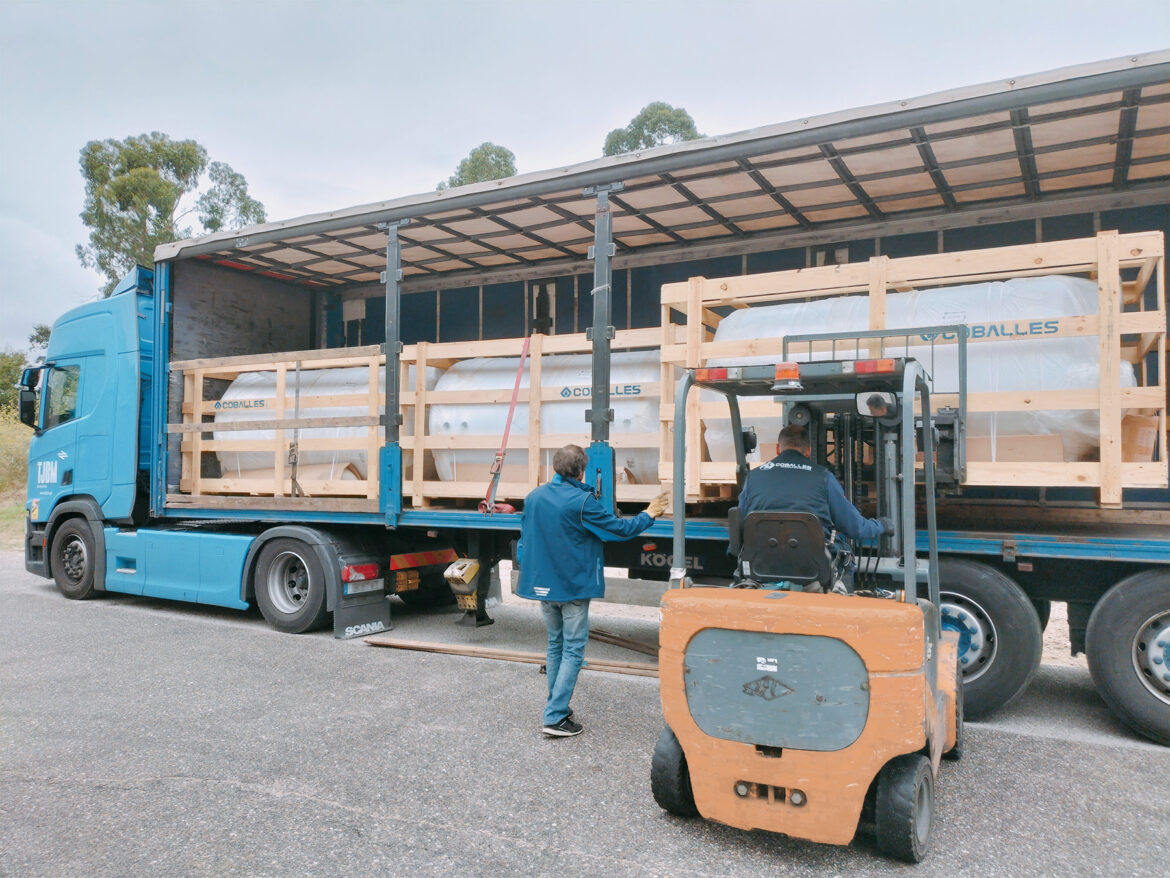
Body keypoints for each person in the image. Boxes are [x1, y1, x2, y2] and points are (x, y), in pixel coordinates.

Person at [516, 444, 666, 737]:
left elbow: (524, 540)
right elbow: (619, 530)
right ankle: (555, 716)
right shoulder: (581, 502)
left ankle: (557, 706)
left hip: (545, 588)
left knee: (555, 644)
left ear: (556, 467)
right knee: (572, 650)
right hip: (572, 587)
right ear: (582, 470)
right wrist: (649, 514)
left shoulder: (533, 497)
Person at [736, 425, 892, 583]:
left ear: (778, 448)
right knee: (845, 553)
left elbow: (740, 524)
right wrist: (881, 525)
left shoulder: (753, 477)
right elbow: (855, 528)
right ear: (809, 451)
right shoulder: (824, 477)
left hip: (762, 567)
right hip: (811, 572)